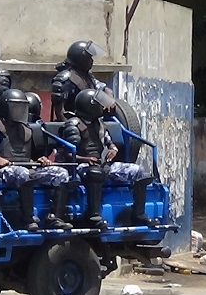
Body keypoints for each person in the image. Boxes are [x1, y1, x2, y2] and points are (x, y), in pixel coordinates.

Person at [59, 88, 152, 229]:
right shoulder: (73, 126)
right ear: (90, 106)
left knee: (138, 171)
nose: (102, 107)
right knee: (95, 173)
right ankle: (93, 216)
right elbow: (68, 155)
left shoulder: (99, 125)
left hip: (102, 165)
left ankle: (138, 213)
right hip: (80, 167)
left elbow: (110, 143)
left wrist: (113, 149)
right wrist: (85, 159)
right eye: (98, 104)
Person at [0, 89, 73, 231]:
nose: (19, 111)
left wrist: (41, 160)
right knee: (23, 174)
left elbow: (31, 155)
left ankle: (54, 217)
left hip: (26, 167)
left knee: (60, 173)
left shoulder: (27, 129)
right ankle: (28, 219)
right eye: (15, 107)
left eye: (22, 107)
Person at [51, 40, 115, 122]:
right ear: (82, 59)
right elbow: (59, 111)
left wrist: (110, 99)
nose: (92, 60)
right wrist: (70, 127)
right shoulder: (64, 79)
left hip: (92, 120)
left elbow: (102, 87)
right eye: (89, 58)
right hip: (75, 122)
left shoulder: (87, 75)